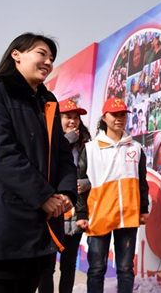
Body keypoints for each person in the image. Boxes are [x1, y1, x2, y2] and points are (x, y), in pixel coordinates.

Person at [0, 33, 77, 293]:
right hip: (6, 223)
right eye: (42, 53)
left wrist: (66, 192)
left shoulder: (48, 102)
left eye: (52, 58)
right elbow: (0, 153)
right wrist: (43, 196)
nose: (48, 62)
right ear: (16, 54)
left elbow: (62, 153)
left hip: (42, 224)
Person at [76, 98, 150, 293]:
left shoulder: (136, 148)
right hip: (99, 215)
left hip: (128, 216)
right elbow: (80, 184)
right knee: (97, 269)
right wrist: (82, 214)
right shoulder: (90, 149)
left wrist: (144, 209)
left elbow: (142, 182)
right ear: (105, 117)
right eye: (114, 114)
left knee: (126, 269)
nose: (119, 119)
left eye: (123, 114)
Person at [39, 100, 92, 293]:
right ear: (57, 118)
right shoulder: (45, 141)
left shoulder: (86, 145)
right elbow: (42, 169)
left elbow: (95, 175)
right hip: (51, 212)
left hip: (74, 212)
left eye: (76, 117)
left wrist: (85, 184)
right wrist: (65, 141)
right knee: (47, 266)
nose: (73, 121)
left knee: (69, 264)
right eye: (67, 116)